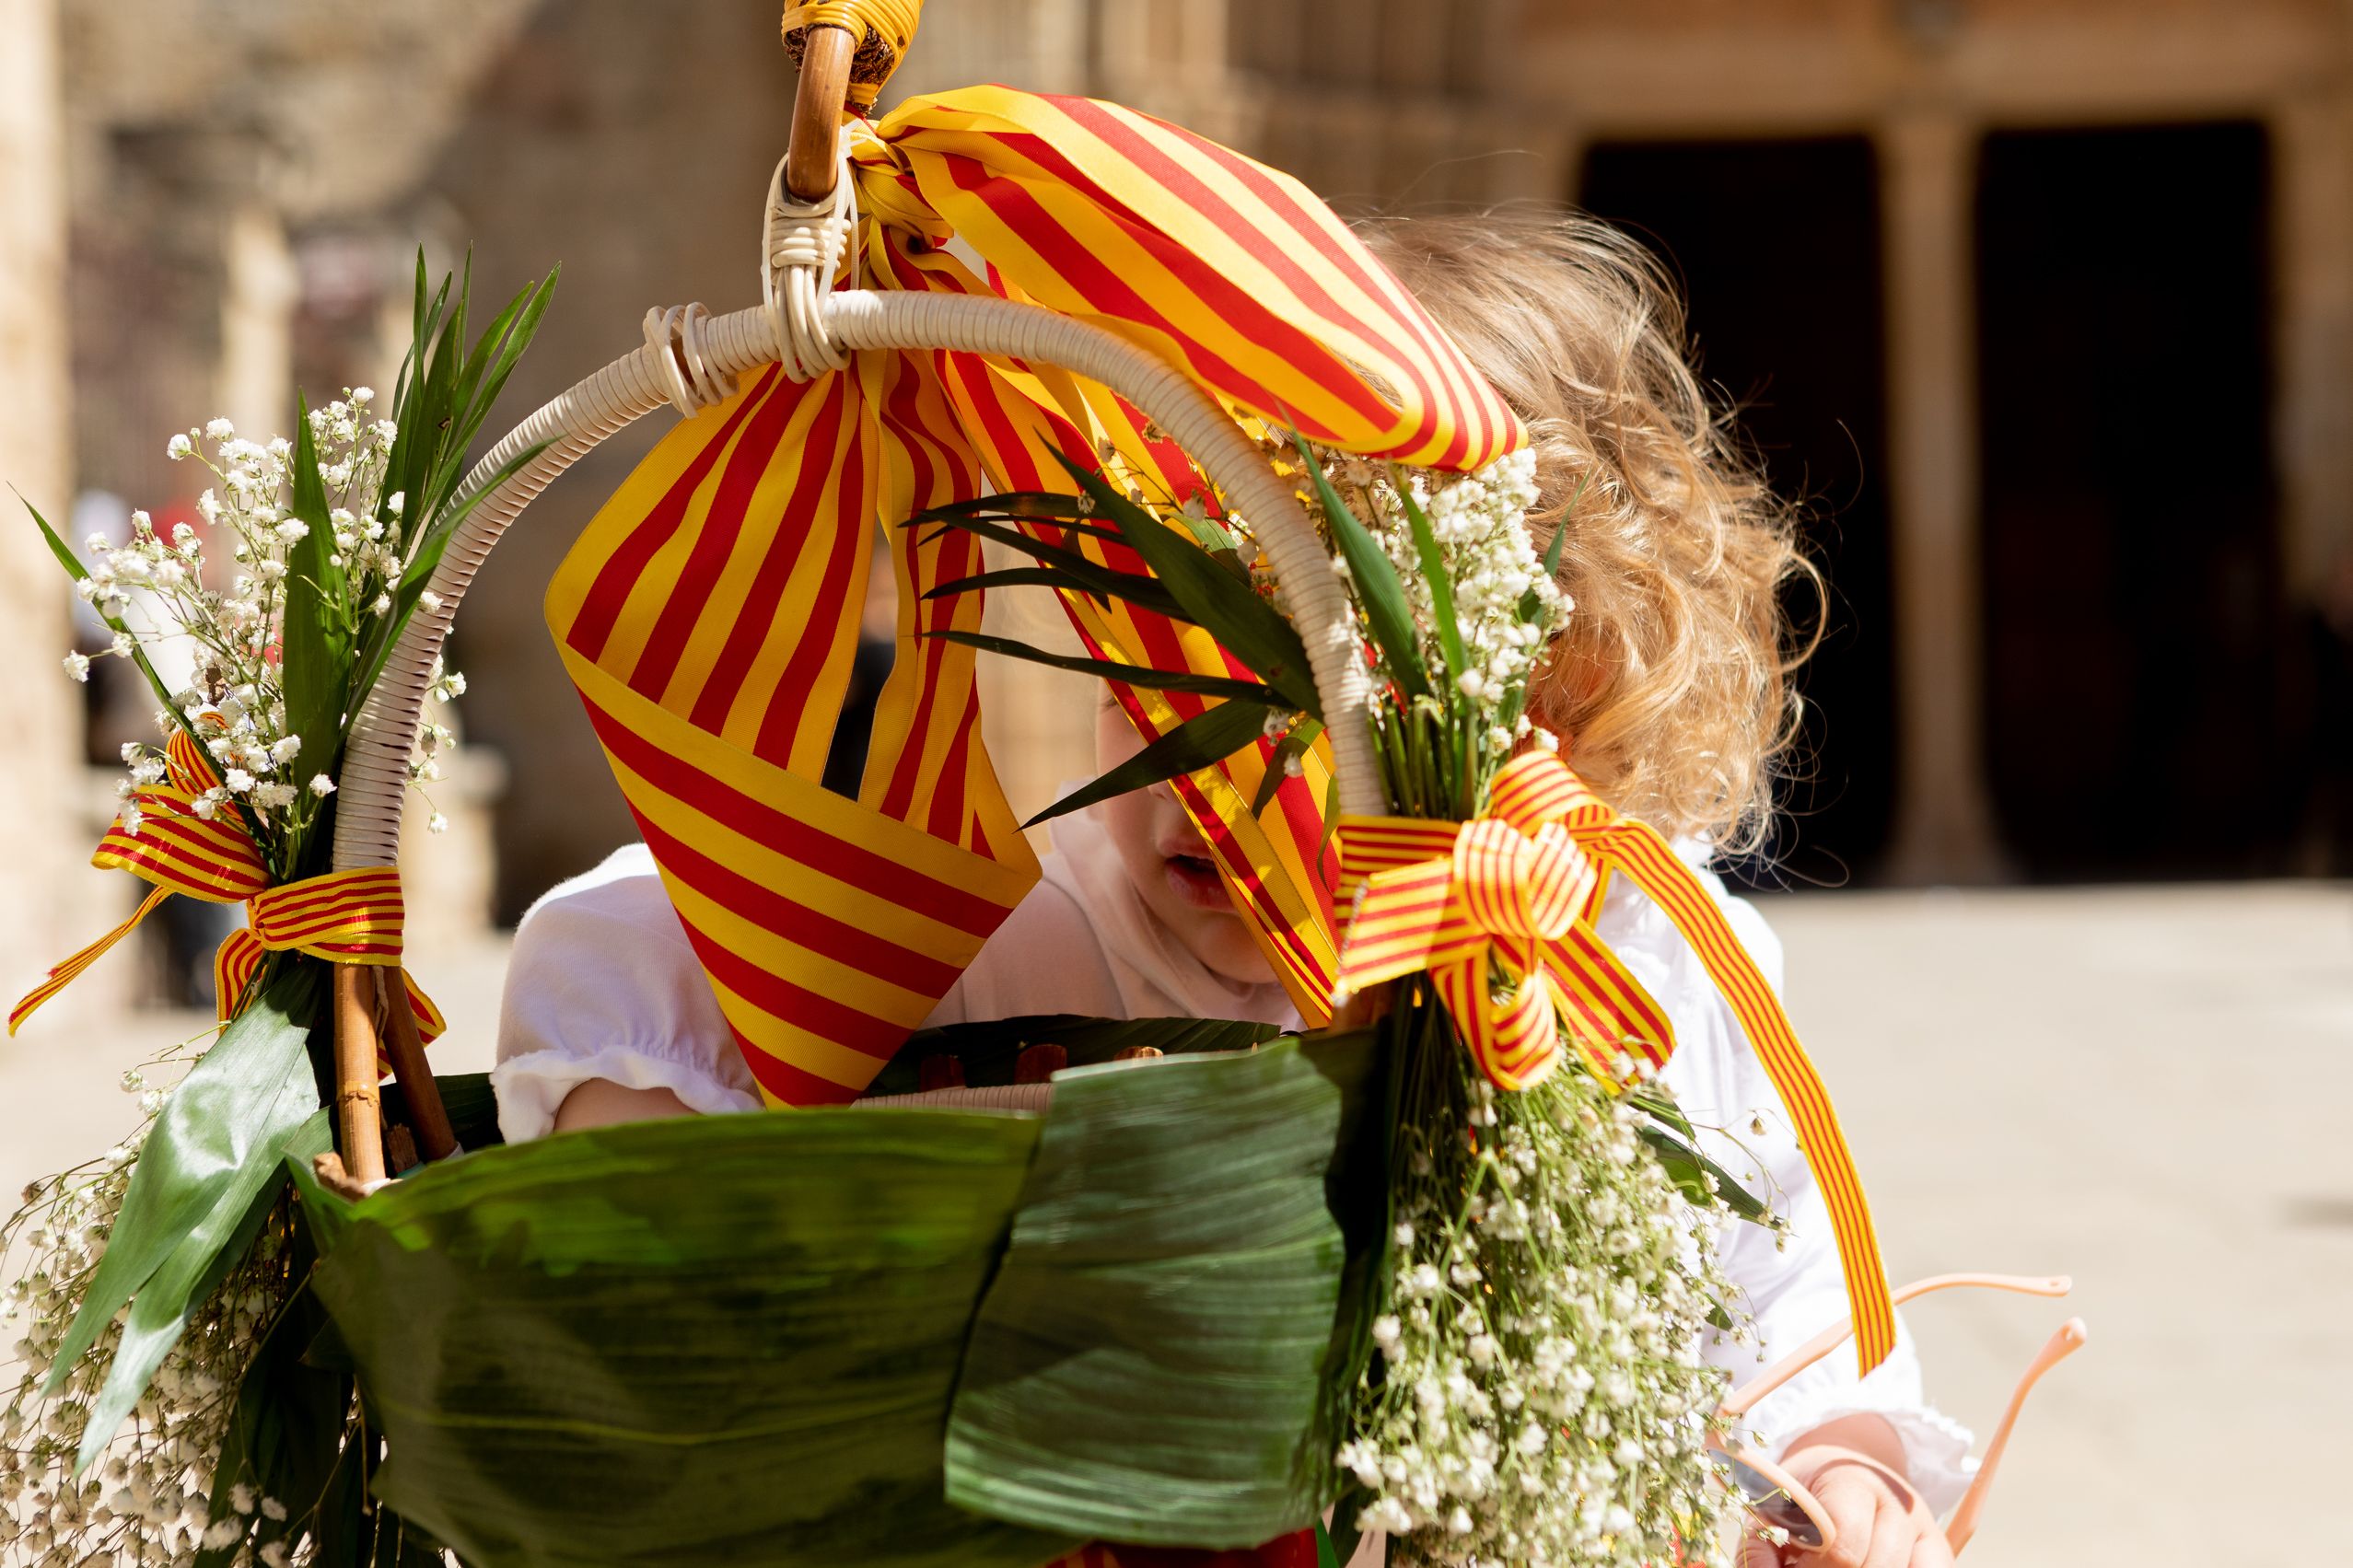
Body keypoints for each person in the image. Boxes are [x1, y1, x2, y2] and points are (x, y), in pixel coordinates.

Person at [493, 210, 1970, 1568]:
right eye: (1173, 667)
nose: (1236, 779)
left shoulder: (1639, 957)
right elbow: (633, 993)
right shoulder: (970, 954)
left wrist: (1843, 1477)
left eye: (1342, 714)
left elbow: (1798, 1325)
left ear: (1569, 712)